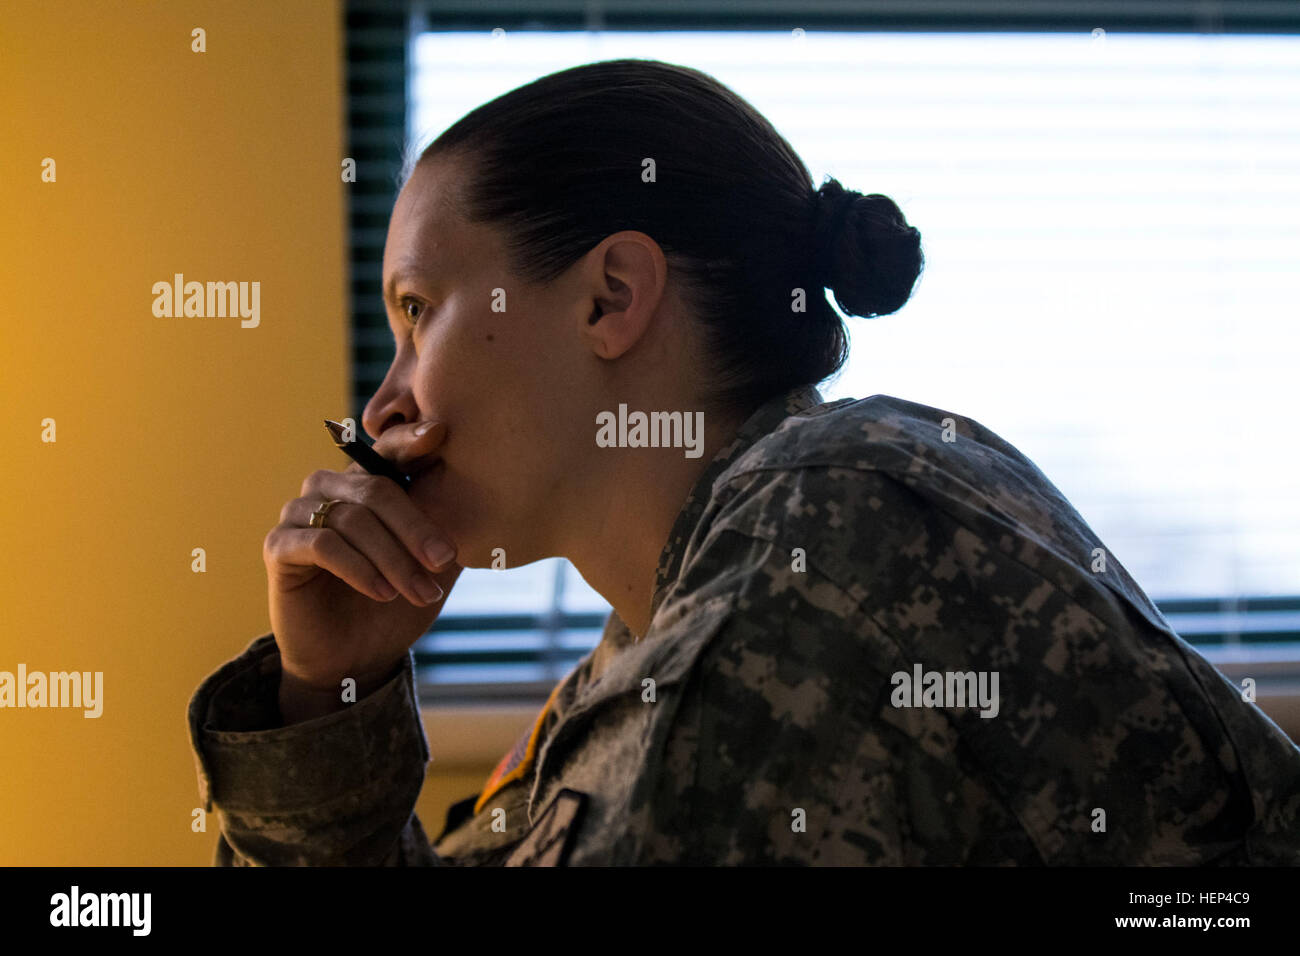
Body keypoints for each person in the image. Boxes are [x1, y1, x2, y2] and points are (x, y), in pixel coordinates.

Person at [187, 58, 1300, 866]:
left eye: (419, 310)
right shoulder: (650, 639)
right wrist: (323, 700)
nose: (383, 404)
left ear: (610, 297)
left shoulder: (826, 530)